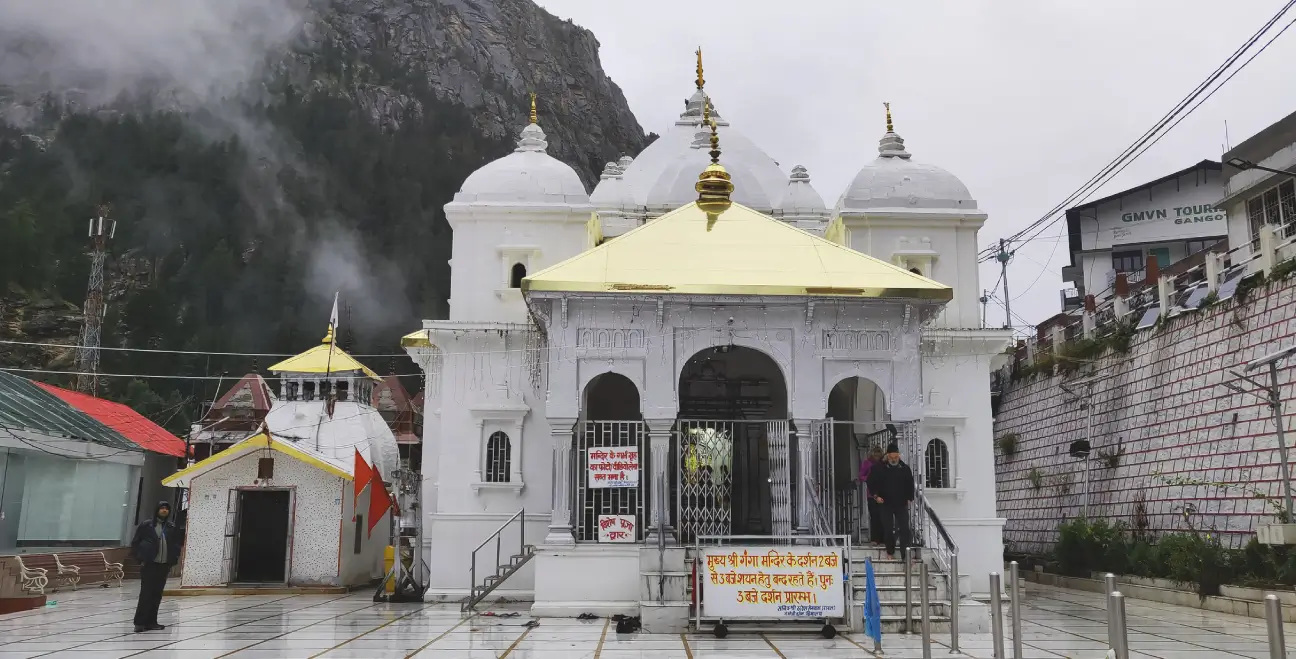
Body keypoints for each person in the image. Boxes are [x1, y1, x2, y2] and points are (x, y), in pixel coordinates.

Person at [130, 501, 183, 633]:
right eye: (162, 508)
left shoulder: (171, 526)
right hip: (149, 564)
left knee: (156, 594)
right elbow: (136, 543)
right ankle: (140, 622)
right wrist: (140, 559)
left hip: (164, 565)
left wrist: (173, 558)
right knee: (146, 594)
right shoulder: (147, 525)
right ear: (157, 510)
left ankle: (152, 622)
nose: (164, 511)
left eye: (166, 509)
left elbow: (176, 544)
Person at [866, 443, 914, 558]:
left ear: (899, 456)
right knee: (887, 528)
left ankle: (905, 555)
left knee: (904, 529)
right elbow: (871, 483)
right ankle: (890, 552)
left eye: (896, 458)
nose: (894, 460)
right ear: (887, 456)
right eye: (891, 458)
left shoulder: (905, 469)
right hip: (885, 503)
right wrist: (876, 496)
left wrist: (909, 498)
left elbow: (910, 484)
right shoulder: (878, 468)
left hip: (901, 503)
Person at [858, 445, 885, 545]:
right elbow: (861, 475)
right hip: (871, 494)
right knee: (874, 517)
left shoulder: (883, 464)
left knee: (883, 516)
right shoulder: (867, 463)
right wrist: (868, 479)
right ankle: (874, 539)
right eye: (875, 455)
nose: (877, 457)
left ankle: (883, 539)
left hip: (883, 493)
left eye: (879, 455)